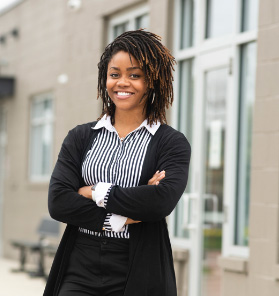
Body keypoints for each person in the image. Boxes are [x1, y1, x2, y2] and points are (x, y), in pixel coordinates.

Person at [44, 30, 191, 296]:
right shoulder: (80, 137)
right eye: (115, 74)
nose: (122, 83)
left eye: (134, 75)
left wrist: (94, 191)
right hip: (80, 261)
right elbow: (58, 201)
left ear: (152, 81)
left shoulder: (171, 143)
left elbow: (160, 202)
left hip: (139, 264)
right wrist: (118, 218)